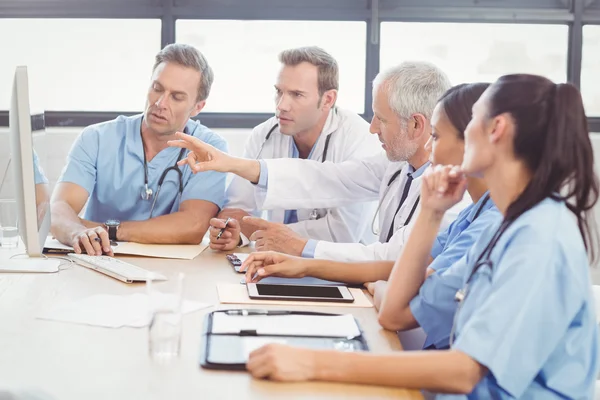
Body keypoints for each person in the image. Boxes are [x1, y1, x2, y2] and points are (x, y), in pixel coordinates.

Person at [241, 74, 600, 399]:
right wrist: (431, 210)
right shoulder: (502, 225)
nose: (433, 145)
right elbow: (398, 308)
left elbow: (464, 371)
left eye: (469, 121)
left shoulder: (540, 237)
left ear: (497, 130)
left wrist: (313, 363)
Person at [241, 82, 502, 351]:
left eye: (435, 136)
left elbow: (396, 307)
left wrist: (429, 212)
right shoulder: (474, 212)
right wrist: (303, 265)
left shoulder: (485, 222)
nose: (428, 146)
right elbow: (401, 268)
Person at [170, 61, 471, 261]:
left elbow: (390, 256)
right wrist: (231, 163)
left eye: (381, 119)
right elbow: (326, 178)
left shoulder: (453, 191)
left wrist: (301, 247)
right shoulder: (395, 165)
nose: (373, 128)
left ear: (417, 125)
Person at [50, 43, 228, 256]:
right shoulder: (97, 138)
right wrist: (76, 232)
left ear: (198, 107)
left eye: (177, 97)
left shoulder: (210, 149)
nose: (160, 103)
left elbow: (193, 226)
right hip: (98, 258)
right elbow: (59, 208)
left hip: (171, 270)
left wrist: (108, 230)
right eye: (157, 88)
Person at [208, 46, 380, 255]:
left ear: (328, 99)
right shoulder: (264, 134)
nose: (282, 105)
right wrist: (231, 231)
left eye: (297, 94)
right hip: (272, 260)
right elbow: (236, 209)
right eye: (279, 92)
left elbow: (341, 234)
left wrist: (256, 231)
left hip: (340, 268)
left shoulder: (359, 138)